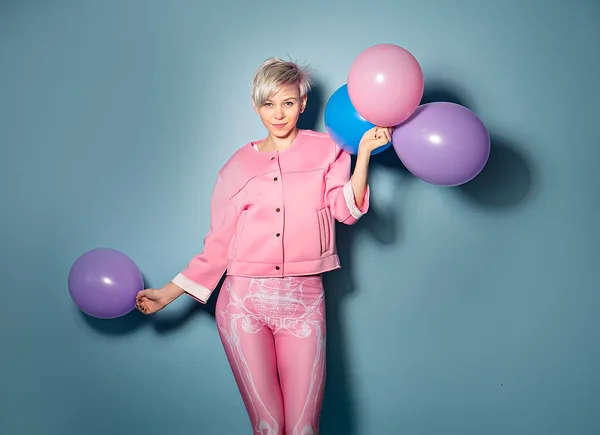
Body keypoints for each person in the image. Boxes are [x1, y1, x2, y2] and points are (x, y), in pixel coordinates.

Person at [135, 57, 392, 434]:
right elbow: (218, 245)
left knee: (304, 429)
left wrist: (364, 154)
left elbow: (346, 211)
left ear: (303, 104)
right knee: (268, 427)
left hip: (305, 302)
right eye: (269, 104)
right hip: (243, 304)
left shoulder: (330, 150)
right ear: (256, 105)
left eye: (288, 102)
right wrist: (165, 295)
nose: (278, 113)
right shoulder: (236, 166)